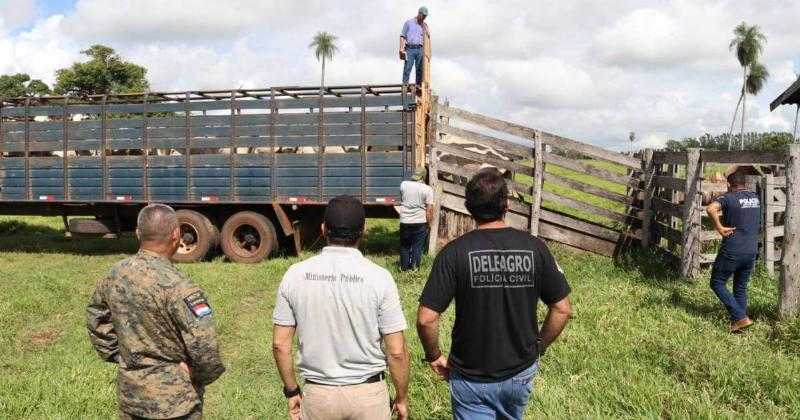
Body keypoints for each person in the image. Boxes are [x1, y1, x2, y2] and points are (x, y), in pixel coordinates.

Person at [416, 169, 573, 420]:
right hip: (520, 372)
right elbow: (563, 309)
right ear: (507, 205)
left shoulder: (454, 253)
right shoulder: (535, 248)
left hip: (470, 378)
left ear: (468, 207)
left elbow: (426, 318)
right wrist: (539, 347)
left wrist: (433, 355)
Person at [272, 195, 410, 420]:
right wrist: (402, 398)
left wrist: (292, 390)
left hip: (318, 395)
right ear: (363, 231)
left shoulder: (295, 275)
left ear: (324, 229)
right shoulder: (380, 278)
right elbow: (396, 351)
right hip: (369, 396)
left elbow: (280, 345)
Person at [86, 204, 225, 420]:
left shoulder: (115, 274)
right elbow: (205, 346)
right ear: (176, 235)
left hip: (132, 397)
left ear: (138, 233)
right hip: (177, 404)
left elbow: (96, 318)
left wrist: (122, 356)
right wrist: (195, 375)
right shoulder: (180, 286)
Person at [707, 171, 761, 333]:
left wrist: (720, 227)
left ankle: (740, 317)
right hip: (751, 250)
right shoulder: (755, 199)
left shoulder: (728, 197)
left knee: (716, 283)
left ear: (729, 185)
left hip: (733, 249)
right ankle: (739, 326)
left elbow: (711, 209)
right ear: (744, 183)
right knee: (740, 287)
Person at [398, 167, 434, 271]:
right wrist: (429, 223)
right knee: (417, 246)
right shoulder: (427, 189)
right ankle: (414, 268)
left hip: (405, 220)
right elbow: (429, 210)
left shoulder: (403, 185)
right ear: (423, 176)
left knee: (405, 245)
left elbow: (403, 199)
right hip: (419, 221)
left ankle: (404, 268)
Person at [400, 6, 429, 86]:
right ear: (419, 13)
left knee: (420, 69)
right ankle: (405, 86)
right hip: (410, 48)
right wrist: (401, 49)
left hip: (420, 49)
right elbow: (402, 36)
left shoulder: (424, 26)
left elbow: (428, 37)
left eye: (425, 16)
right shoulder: (408, 23)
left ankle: (418, 87)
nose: (424, 18)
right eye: (423, 16)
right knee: (407, 68)